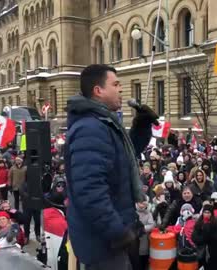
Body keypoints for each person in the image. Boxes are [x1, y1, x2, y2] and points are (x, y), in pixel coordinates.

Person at [65, 64, 158, 269]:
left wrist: (141, 126)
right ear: (98, 91)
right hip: (103, 244)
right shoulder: (90, 128)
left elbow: (123, 157)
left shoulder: (102, 122)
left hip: (110, 240)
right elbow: (90, 191)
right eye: (115, 84)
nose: (121, 89)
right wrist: (117, 231)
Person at [192, 204, 217, 270]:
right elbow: (194, 237)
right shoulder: (199, 223)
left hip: (214, 252)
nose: (206, 214)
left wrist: (209, 233)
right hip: (202, 252)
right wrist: (204, 238)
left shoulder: (216, 223)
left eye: (208, 212)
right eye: (205, 212)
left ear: (211, 213)